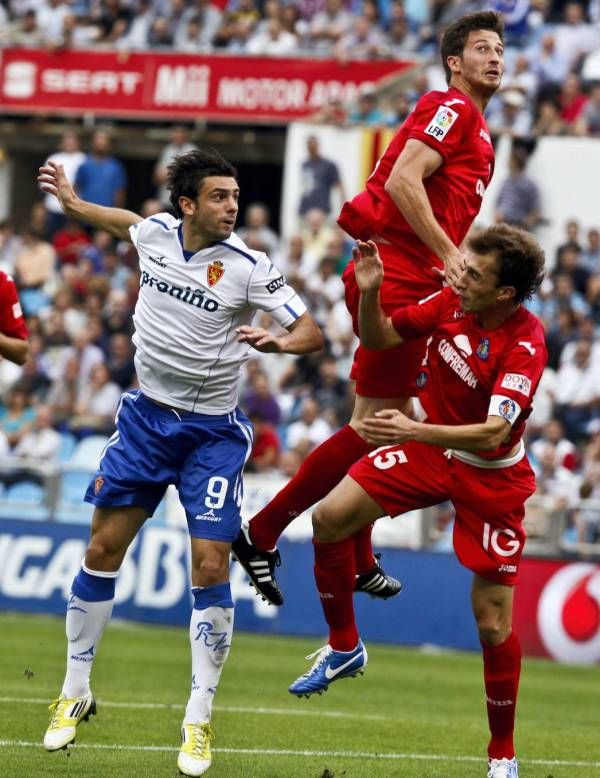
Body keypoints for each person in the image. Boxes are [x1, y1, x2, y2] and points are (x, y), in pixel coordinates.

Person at [37, 148, 323, 777]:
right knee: (101, 550)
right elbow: (120, 223)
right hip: (144, 422)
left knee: (211, 561)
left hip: (211, 435)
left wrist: (279, 339)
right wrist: (76, 204)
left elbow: (312, 334)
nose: (233, 207)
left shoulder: (250, 268)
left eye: (235, 195)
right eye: (220, 196)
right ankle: (75, 692)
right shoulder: (157, 234)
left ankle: (198, 718)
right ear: (188, 204)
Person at [232, 10, 505, 606]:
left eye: (500, 48)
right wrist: (451, 256)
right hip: (401, 274)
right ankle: (261, 531)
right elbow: (406, 181)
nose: (496, 57)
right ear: (454, 63)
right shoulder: (452, 108)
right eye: (482, 48)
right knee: (373, 425)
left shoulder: (477, 126)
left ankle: (354, 554)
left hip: (408, 272)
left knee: (389, 418)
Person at [289, 225, 547, 778]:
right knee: (330, 518)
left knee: (491, 624)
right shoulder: (452, 301)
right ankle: (344, 646)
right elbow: (380, 338)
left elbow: (493, 433)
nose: (460, 275)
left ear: (505, 294)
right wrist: (373, 290)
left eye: (474, 273)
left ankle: (502, 755)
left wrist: (413, 428)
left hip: (490, 475)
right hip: (432, 449)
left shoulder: (525, 343)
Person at [298, 135, 344, 218]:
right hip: (305, 209)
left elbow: (339, 186)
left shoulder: (328, 165)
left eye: (313, 145)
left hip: (322, 210)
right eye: (309, 146)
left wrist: (342, 209)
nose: (311, 148)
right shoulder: (305, 164)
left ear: (317, 146)